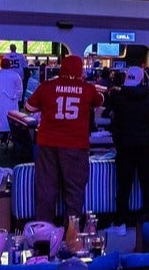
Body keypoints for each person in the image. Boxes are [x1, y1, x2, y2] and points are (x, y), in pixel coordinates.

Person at [26, 55, 104, 225]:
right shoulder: (87, 89)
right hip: (76, 145)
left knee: (45, 190)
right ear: (79, 70)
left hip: (47, 144)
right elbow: (100, 101)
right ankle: (71, 235)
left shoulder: (47, 86)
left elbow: (29, 107)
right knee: (74, 191)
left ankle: (43, 234)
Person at [104, 66, 149, 223]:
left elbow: (110, 118)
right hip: (147, 147)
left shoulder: (118, 98)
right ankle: (148, 221)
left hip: (124, 147)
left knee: (123, 187)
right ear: (144, 80)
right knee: (147, 184)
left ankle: (121, 221)